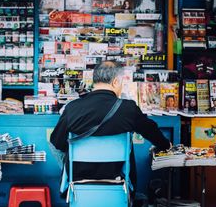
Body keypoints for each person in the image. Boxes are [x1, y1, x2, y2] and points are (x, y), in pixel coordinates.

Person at [50, 61, 171, 194]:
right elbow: (151, 132)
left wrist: (67, 167)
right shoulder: (128, 108)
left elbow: (56, 143)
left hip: (78, 180)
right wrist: (165, 145)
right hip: (119, 180)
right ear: (115, 82)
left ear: (94, 80)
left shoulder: (72, 108)